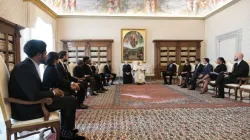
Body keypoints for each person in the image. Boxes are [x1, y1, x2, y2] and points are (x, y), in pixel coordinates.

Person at [8, 40, 86, 139]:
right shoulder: (24, 68)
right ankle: (66, 134)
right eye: (45, 53)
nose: (46, 56)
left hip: (30, 104)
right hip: (26, 109)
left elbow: (36, 88)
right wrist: (53, 92)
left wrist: (52, 90)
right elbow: (34, 95)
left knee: (67, 97)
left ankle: (66, 130)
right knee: (70, 100)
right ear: (39, 55)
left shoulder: (29, 65)